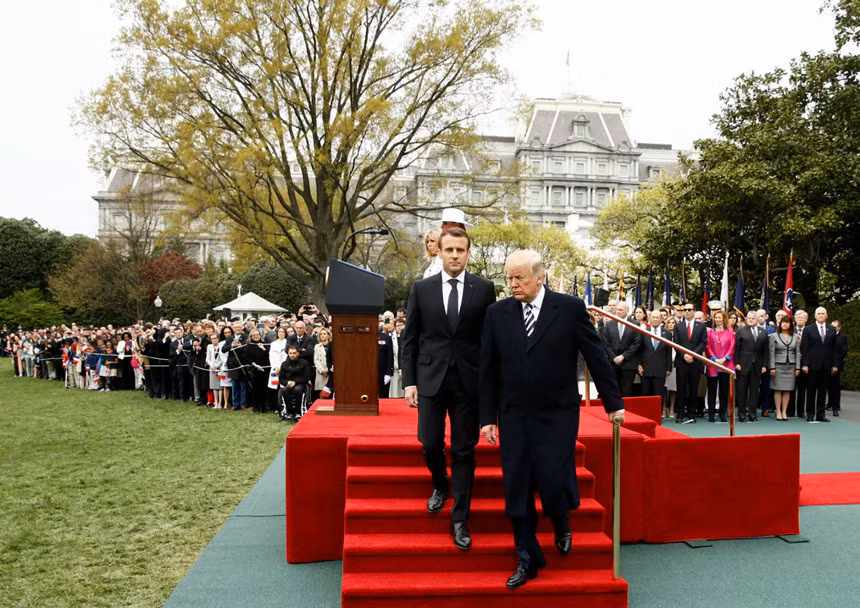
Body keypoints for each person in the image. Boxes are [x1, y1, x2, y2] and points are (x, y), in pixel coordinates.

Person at [478, 249, 625, 590]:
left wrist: (612, 401)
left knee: (553, 480)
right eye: (509, 278)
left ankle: (561, 520)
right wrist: (488, 417)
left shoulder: (569, 308)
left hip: (557, 413)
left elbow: (596, 355)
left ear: (539, 277)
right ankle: (527, 557)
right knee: (516, 488)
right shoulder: (497, 314)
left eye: (520, 278)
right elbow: (487, 368)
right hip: (514, 413)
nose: (512, 284)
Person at [400, 226, 496, 551]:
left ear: (468, 253)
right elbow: (409, 338)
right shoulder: (421, 289)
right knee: (429, 443)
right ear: (438, 251)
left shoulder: (484, 289)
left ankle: (460, 519)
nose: (455, 255)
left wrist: (489, 383)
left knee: (464, 450)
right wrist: (409, 380)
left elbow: (489, 339)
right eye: (449, 250)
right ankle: (440, 484)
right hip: (430, 379)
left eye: (460, 250)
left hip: (469, 382)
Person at [801, 306, 838, 423]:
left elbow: (835, 349)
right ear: (815, 316)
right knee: (811, 390)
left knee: (823, 391)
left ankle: (821, 414)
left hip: (826, 365)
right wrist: (805, 364)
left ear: (826, 315)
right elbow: (804, 348)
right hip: (812, 365)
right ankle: (810, 414)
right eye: (819, 313)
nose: (821, 315)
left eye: (823, 313)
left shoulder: (832, 329)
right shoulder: (808, 329)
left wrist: (835, 364)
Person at [673, 302, 707, 424]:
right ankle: (680, 414)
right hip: (682, 362)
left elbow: (703, 342)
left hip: (695, 362)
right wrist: (684, 355)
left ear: (694, 310)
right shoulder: (678, 326)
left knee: (694, 389)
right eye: (684, 309)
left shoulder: (701, 326)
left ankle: (692, 414)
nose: (686, 311)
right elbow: (676, 343)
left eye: (689, 309)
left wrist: (693, 355)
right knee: (681, 389)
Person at [600, 301, 641, 397]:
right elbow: (606, 344)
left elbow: (637, 343)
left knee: (627, 390)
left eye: (620, 310)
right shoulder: (609, 324)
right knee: (613, 390)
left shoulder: (635, 324)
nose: (618, 311)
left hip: (628, 364)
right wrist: (614, 357)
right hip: (613, 363)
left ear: (627, 311)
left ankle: (626, 411)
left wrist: (623, 356)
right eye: (617, 309)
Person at [733, 312, 768, 422]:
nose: (751, 320)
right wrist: (737, 363)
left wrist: (764, 365)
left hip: (757, 366)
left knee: (754, 391)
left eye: (753, 318)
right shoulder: (740, 331)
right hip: (743, 365)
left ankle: (752, 414)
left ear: (757, 319)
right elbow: (736, 349)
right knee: (742, 390)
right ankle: (742, 414)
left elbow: (765, 351)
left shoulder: (763, 332)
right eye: (749, 318)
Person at [705, 310, 735, 423]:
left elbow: (732, 346)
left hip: (726, 364)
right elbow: (707, 346)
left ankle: (723, 413)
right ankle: (711, 414)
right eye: (716, 317)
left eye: (719, 317)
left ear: (724, 319)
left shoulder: (730, 332)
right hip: (713, 364)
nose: (717, 319)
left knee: (724, 390)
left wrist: (724, 358)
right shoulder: (710, 332)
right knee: (712, 390)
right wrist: (714, 359)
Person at [769, 314, 800, 421]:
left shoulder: (795, 336)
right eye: (783, 322)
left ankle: (784, 411)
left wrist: (797, 368)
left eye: (787, 322)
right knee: (777, 389)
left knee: (788, 389)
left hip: (790, 366)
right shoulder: (774, 336)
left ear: (791, 324)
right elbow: (771, 353)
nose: (785, 324)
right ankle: (778, 411)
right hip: (778, 365)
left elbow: (798, 353)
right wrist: (772, 367)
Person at [637, 310, 673, 402]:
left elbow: (668, 352)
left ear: (661, 319)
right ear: (649, 318)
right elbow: (639, 350)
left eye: (658, 317)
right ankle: (645, 416)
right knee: (645, 395)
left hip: (660, 369)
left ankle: (657, 416)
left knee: (659, 396)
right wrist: (639, 364)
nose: (655, 319)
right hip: (646, 369)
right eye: (653, 317)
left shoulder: (667, 334)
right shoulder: (643, 332)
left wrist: (669, 368)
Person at [279, 345, 311, 421]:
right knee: (284, 390)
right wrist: (287, 382)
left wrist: (295, 382)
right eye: (290, 353)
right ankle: (289, 412)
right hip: (289, 384)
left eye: (294, 353)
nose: (292, 355)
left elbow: (306, 378)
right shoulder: (284, 364)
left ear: (298, 353)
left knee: (297, 390)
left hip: (300, 384)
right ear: (288, 354)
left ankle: (297, 413)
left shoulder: (304, 363)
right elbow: (281, 378)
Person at [788, 309, 809, 418]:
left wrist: (806, 364)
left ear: (806, 319)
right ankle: (790, 411)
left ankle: (801, 411)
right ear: (795, 319)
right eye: (798, 317)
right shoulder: (790, 331)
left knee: (802, 389)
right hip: (791, 364)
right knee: (791, 388)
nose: (800, 319)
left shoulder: (809, 331)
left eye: (802, 317)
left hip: (804, 364)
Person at [244, 328, 270, 412]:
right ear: (251, 336)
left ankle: (263, 407)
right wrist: (254, 364)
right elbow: (245, 358)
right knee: (255, 389)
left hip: (265, 369)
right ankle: (256, 407)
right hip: (254, 370)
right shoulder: (249, 345)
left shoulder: (265, 344)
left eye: (257, 335)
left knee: (264, 388)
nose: (256, 336)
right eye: (254, 335)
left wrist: (263, 348)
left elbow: (269, 355)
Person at [827, 320, 848, 416]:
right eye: (832, 327)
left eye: (835, 327)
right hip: (827, 364)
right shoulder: (828, 336)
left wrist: (836, 362)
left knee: (835, 385)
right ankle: (829, 403)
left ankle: (836, 405)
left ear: (839, 327)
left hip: (837, 365)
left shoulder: (843, 337)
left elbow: (844, 351)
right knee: (828, 385)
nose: (833, 329)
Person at [268, 327, 289, 410]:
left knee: (283, 387)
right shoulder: (273, 344)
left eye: (282, 332)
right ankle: (275, 407)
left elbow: (286, 357)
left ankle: (284, 406)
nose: (281, 333)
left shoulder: (288, 343)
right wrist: (275, 367)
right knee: (274, 387)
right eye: (279, 332)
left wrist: (281, 368)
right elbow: (271, 356)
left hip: (284, 368)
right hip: (274, 368)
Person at [313, 327, 333, 400]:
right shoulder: (317, 346)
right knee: (322, 392)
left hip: (330, 370)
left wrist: (328, 368)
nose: (322, 335)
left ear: (328, 335)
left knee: (330, 390)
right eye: (321, 334)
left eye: (324, 334)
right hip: (321, 372)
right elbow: (316, 360)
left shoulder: (332, 345)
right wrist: (322, 370)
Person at [377, 326, 394, 398]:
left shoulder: (386, 337)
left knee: (383, 397)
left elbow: (390, 356)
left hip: (382, 373)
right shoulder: (363, 337)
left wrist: (388, 373)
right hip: (366, 373)